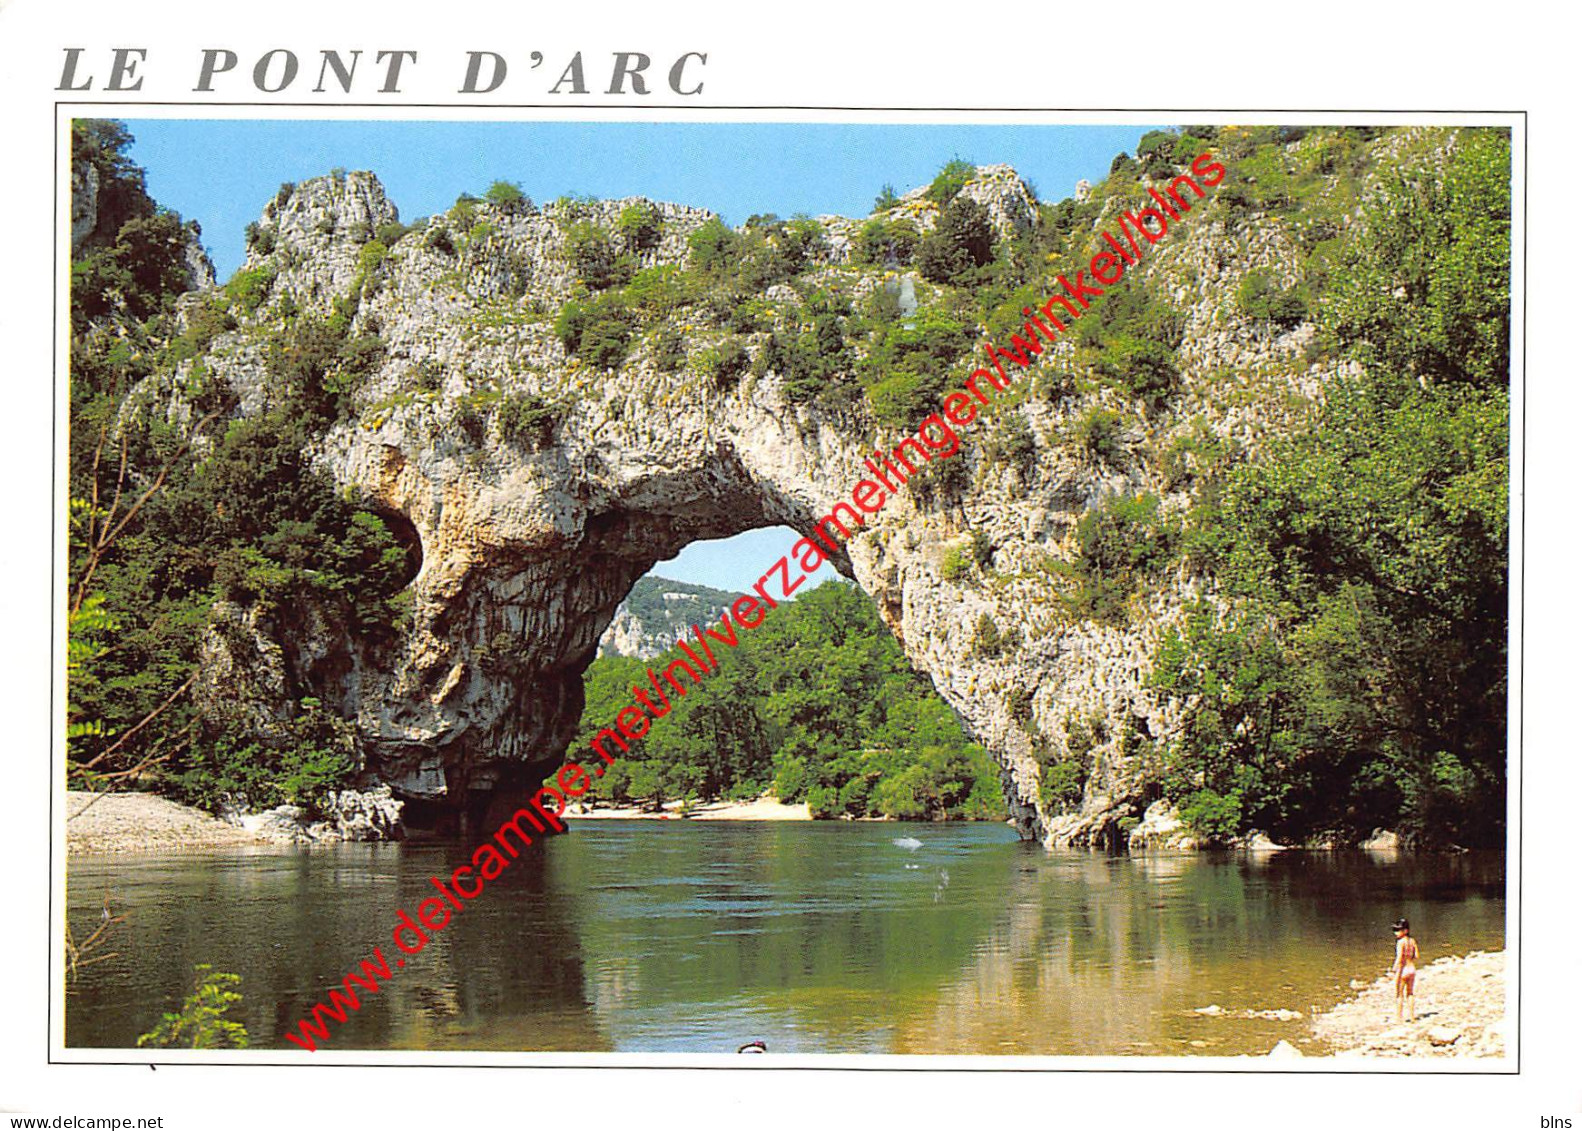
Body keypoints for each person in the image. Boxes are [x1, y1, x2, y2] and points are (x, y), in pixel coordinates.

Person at [1391, 917, 1420, 1022]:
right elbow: (1417, 955)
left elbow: (1399, 958)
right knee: (1410, 993)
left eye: (1398, 930)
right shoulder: (1412, 941)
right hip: (1412, 969)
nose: (1396, 933)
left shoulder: (1400, 942)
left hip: (1403, 970)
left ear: (1405, 931)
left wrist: (1394, 969)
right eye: (1395, 930)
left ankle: (1399, 1017)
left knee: (1399, 994)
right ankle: (1412, 1017)